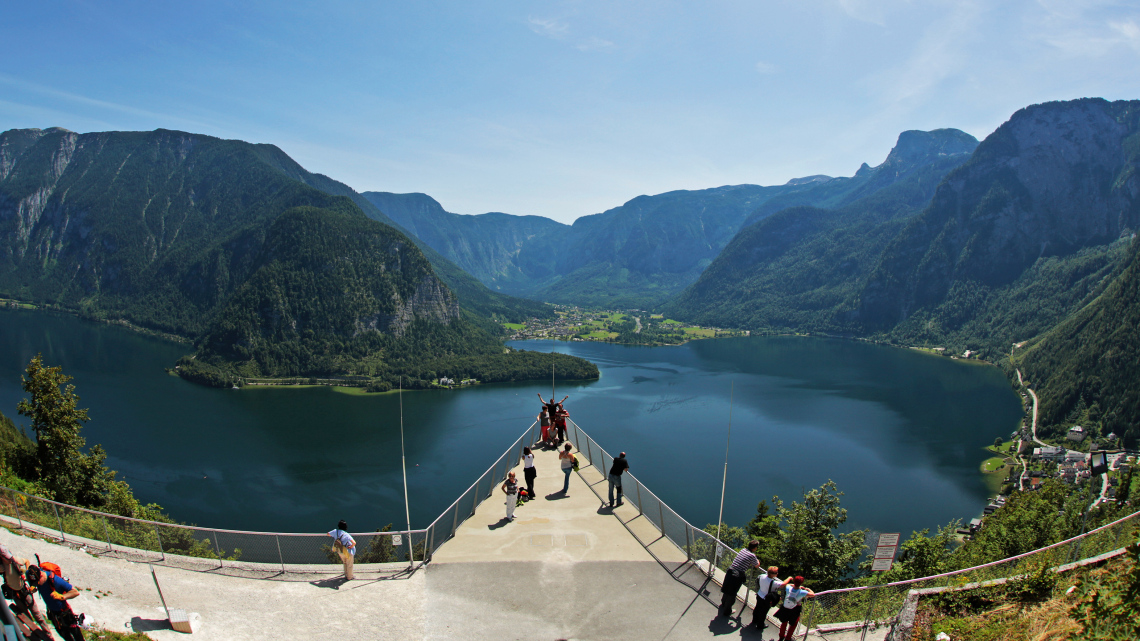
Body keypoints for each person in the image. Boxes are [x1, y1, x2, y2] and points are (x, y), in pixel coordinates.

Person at [0, 544, 52, 640]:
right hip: (15, 594)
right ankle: (35, 636)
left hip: (23, 591)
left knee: (37, 615)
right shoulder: (2, 566)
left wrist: (28, 576)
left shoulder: (15, 560)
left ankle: (48, 636)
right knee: (27, 617)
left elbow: (26, 561)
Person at [27, 564, 82, 641]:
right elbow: (27, 571)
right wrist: (32, 585)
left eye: (38, 581)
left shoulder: (56, 581)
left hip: (65, 613)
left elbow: (75, 592)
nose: (38, 583)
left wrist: (62, 596)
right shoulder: (30, 574)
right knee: (65, 636)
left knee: (77, 636)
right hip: (53, 614)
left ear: (41, 575)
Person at [719, 540, 761, 618]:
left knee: (727, 589)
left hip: (730, 571)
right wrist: (757, 559)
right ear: (755, 548)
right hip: (737, 575)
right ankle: (727, 611)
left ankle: (723, 603)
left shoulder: (743, 550)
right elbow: (757, 565)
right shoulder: (752, 555)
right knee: (732, 593)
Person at [774, 576, 816, 640]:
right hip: (795, 609)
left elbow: (787, 584)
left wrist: (795, 585)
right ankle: (788, 638)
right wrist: (808, 589)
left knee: (784, 623)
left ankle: (781, 636)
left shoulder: (788, 588)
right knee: (793, 624)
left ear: (794, 582)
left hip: (785, 608)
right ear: (801, 583)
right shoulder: (802, 592)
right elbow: (813, 595)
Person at [751, 566, 789, 630]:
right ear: (772, 574)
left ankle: (754, 620)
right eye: (776, 573)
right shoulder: (773, 582)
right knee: (763, 613)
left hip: (759, 595)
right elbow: (783, 584)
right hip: (766, 599)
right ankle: (760, 625)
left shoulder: (762, 576)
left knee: (757, 608)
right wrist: (789, 578)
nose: (777, 573)